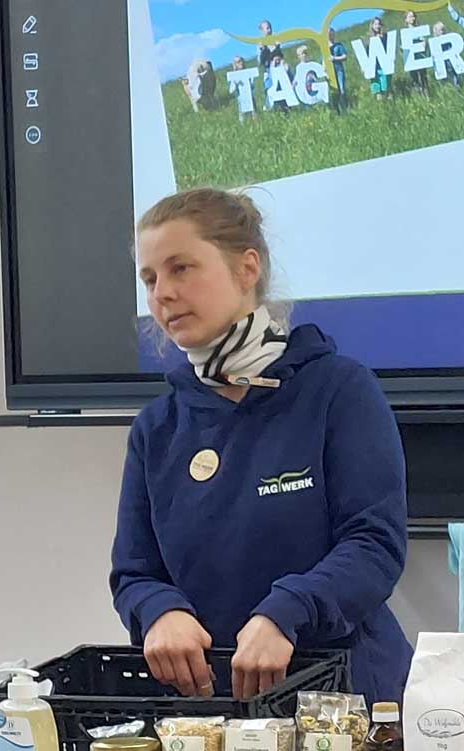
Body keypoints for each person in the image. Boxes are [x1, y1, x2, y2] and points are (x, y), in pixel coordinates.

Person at [111, 188, 411, 706]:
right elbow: (135, 572)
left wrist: (287, 612)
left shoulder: (338, 390)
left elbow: (373, 545)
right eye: (150, 278)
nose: (161, 293)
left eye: (182, 268)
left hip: (346, 702)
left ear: (247, 268)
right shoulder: (156, 427)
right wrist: (160, 612)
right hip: (210, 715)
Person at [402, 10, 430, 97]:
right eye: (410, 16)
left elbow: (424, 40)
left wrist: (425, 42)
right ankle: (419, 96)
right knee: (414, 79)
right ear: (406, 19)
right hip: (411, 58)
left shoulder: (420, 30)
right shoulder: (404, 32)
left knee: (423, 77)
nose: (412, 18)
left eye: (413, 16)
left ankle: (427, 96)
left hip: (420, 56)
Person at [257, 19, 285, 97]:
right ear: (261, 31)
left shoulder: (275, 40)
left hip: (279, 69)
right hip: (269, 71)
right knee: (270, 91)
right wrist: (262, 50)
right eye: (266, 28)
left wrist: (277, 47)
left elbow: (281, 57)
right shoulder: (260, 44)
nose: (268, 30)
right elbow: (260, 62)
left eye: (269, 28)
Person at [431, 21, 461, 87]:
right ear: (435, 31)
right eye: (440, 30)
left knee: (455, 80)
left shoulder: (449, 40)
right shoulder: (433, 42)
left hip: (450, 64)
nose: (442, 32)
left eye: (443, 30)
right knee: (444, 82)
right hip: (441, 65)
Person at [368, 17, 390, 99]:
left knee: (386, 85)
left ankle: (389, 103)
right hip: (374, 66)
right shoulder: (369, 39)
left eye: (379, 24)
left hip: (384, 65)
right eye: (375, 24)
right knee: (377, 86)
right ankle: (380, 104)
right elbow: (367, 52)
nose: (377, 26)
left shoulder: (385, 36)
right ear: (372, 26)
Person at [228, 55, 256, 122]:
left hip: (250, 98)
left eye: (240, 61)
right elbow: (231, 90)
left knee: (254, 116)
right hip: (241, 99)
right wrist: (235, 80)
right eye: (237, 62)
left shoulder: (248, 73)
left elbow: (252, 86)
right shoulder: (234, 76)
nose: (240, 63)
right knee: (242, 118)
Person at [328, 27, 349, 113]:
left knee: (342, 89)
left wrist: (335, 58)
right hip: (330, 72)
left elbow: (345, 56)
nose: (330, 35)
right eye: (328, 34)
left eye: (331, 33)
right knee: (333, 92)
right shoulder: (324, 48)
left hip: (339, 70)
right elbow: (323, 60)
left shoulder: (339, 45)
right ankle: (336, 110)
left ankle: (345, 108)